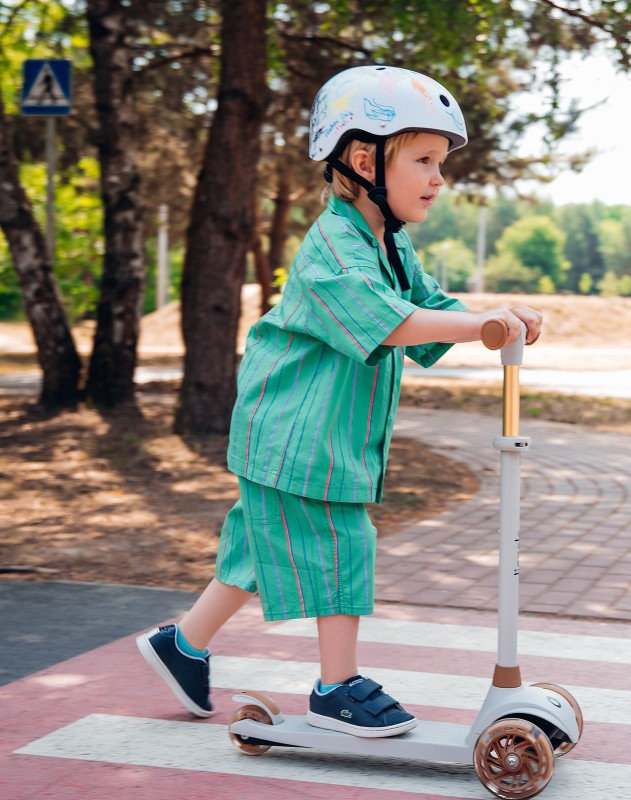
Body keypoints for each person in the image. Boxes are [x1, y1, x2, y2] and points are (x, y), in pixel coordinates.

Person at [137, 65, 542, 738]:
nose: (439, 179)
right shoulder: (333, 247)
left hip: (318, 433)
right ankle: (336, 687)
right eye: (424, 160)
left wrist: (491, 317)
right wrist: (478, 326)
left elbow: (428, 306)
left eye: (440, 162)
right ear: (363, 160)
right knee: (340, 543)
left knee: (252, 551)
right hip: (298, 433)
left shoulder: (389, 242)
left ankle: (182, 646)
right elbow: (390, 321)